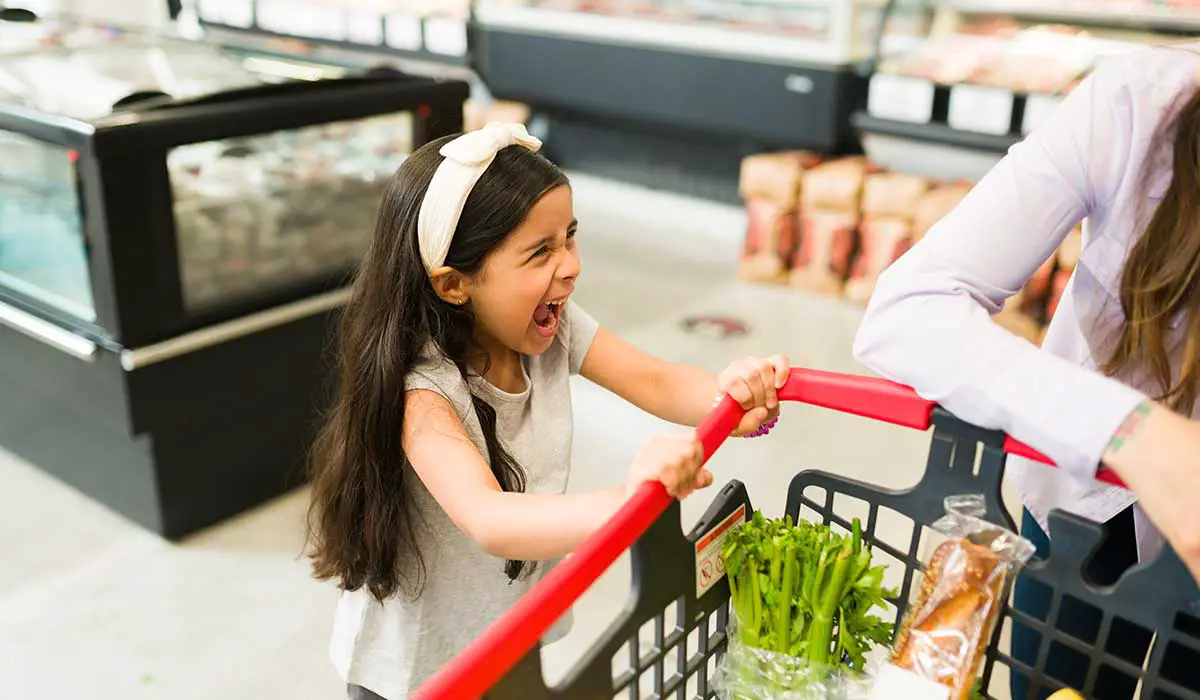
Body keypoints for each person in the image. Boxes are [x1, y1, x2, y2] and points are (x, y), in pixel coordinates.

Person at [303, 123, 791, 700]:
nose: (570, 266)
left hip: (508, 631)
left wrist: (731, 396)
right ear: (454, 283)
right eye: (540, 252)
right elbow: (491, 519)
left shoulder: (552, 329)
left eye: (570, 237)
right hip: (418, 669)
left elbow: (654, 379)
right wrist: (631, 500)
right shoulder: (424, 390)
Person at [854, 45, 1200, 699]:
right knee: (1057, 681)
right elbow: (907, 312)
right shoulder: (1138, 103)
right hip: (1089, 506)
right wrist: (1129, 430)